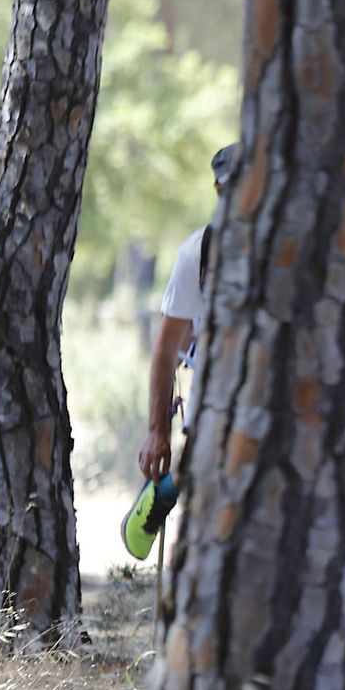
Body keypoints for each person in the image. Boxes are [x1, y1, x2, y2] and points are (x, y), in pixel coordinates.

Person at [123, 144, 239, 561]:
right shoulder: (199, 254)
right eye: (231, 188)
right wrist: (157, 431)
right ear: (218, 190)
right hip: (212, 405)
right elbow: (166, 346)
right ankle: (165, 490)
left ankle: (172, 488)